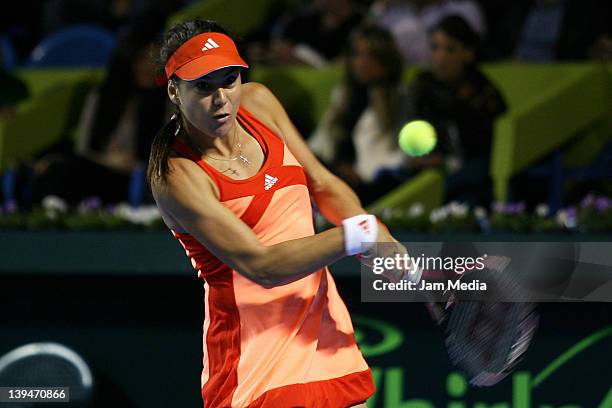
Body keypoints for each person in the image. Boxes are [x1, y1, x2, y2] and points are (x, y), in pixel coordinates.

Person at [148, 19, 410, 407]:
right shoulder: (177, 174)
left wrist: (377, 234)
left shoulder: (258, 103)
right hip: (253, 358)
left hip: (323, 332)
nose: (221, 98)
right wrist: (355, 236)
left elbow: (321, 182)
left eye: (229, 80)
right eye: (203, 86)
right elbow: (262, 265)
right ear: (174, 90)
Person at [31, 16, 167, 205]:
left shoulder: (167, 101)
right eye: (144, 58)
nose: (151, 66)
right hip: (98, 167)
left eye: (157, 59)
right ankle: (51, 210)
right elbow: (83, 147)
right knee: (59, 168)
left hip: (136, 180)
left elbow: (169, 157)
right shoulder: (102, 96)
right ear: (128, 59)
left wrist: (134, 165)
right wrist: (108, 161)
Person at [309, 24, 428, 206]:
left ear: (387, 61)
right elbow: (321, 142)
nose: (362, 62)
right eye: (357, 54)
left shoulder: (399, 97)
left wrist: (358, 172)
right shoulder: (344, 93)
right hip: (333, 175)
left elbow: (398, 156)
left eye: (371, 56)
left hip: (371, 184)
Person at [411, 14, 506, 206]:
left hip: (473, 176)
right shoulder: (423, 85)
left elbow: (486, 151)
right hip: (429, 171)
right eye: (435, 48)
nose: (440, 57)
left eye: (450, 49)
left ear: (468, 53)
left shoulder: (483, 91)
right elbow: (414, 128)